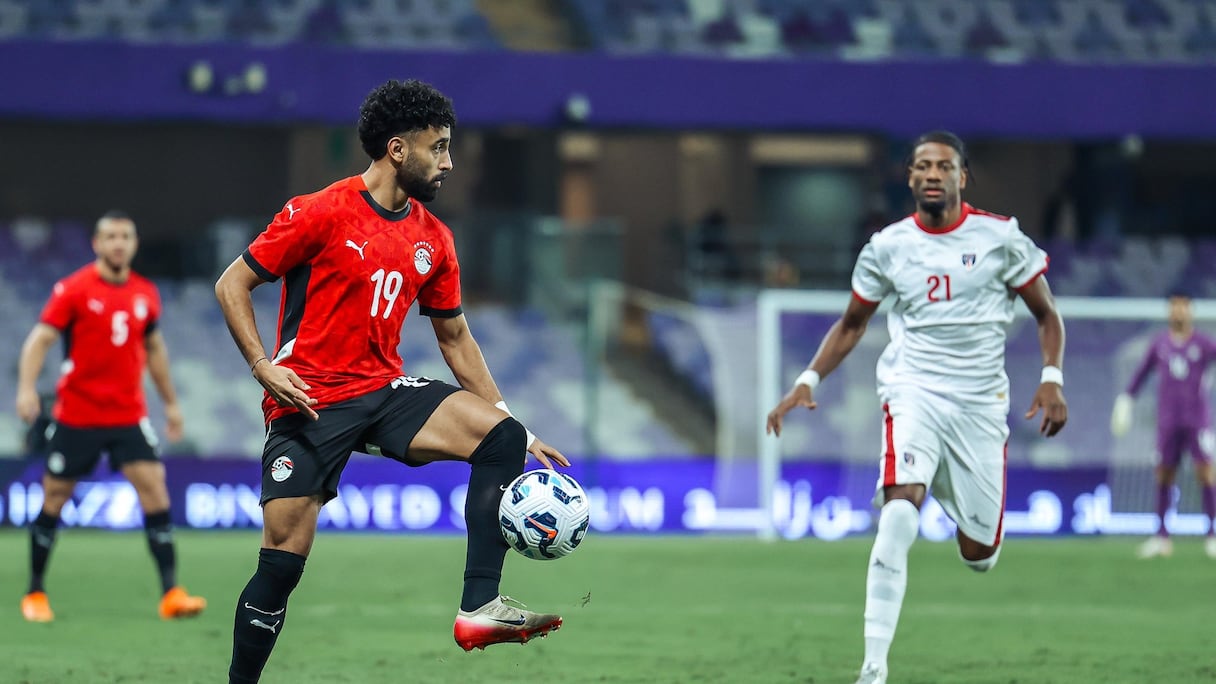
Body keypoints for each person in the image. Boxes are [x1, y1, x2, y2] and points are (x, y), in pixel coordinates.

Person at [214, 79, 570, 684]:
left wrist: (519, 424)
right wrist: (262, 365)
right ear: (398, 149)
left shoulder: (434, 239)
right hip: (310, 400)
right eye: (440, 147)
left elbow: (455, 338)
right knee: (281, 567)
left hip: (383, 393)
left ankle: (479, 607)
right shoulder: (320, 211)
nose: (448, 162)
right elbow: (233, 284)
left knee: (502, 438)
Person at [765, 131, 1068, 684]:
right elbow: (853, 322)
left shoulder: (1001, 238)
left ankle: (944, 482)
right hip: (914, 393)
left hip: (979, 408)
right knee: (899, 511)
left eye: (944, 166)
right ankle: (873, 667)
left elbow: (1048, 314)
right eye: (923, 165)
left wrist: (1052, 378)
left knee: (980, 555)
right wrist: (808, 379)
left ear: (962, 177)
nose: (933, 174)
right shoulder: (887, 247)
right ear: (909, 177)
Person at [15, 211, 206, 623]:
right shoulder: (73, 289)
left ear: (134, 244)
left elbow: (155, 350)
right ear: (97, 244)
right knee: (54, 498)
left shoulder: (145, 293)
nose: (119, 243)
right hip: (77, 413)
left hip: (127, 414)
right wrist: (27, 388)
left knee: (156, 493)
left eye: (125, 236)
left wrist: (171, 403)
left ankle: (171, 593)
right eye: (111, 237)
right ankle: (35, 592)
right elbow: (40, 339)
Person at [1110, 289, 1216, 559]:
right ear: (1169, 311)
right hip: (1168, 422)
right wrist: (1126, 399)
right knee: (1164, 474)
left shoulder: (1203, 344)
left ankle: (1212, 535)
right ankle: (1161, 537)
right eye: (1174, 306)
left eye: (1183, 306)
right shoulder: (1160, 344)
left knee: (1206, 472)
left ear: (1190, 310)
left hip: (1197, 421)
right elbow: (1141, 374)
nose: (1178, 311)